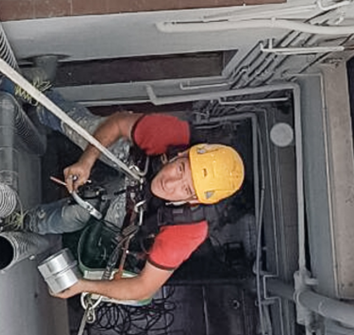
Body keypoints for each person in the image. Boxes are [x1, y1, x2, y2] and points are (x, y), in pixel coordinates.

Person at [19, 92, 245, 303]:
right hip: (136, 162)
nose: (170, 183)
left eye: (186, 190)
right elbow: (119, 123)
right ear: (183, 153)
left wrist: (83, 285)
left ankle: (27, 221)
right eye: (180, 169)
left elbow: (143, 288)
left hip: (136, 210)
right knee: (85, 130)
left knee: (78, 212)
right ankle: (39, 100)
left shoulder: (188, 230)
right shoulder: (174, 135)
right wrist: (87, 160)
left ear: (194, 201)